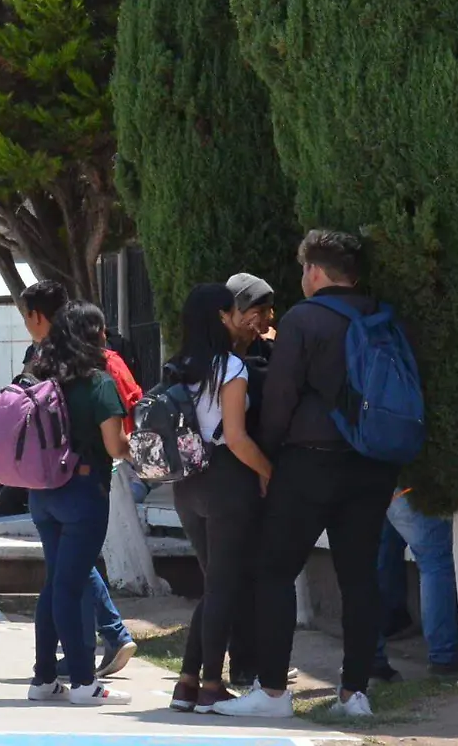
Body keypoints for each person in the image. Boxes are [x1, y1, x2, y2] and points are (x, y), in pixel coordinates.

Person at [216, 229, 402, 721]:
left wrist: (268, 459)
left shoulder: (305, 318)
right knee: (360, 577)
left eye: (303, 270)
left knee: (274, 570)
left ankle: (274, 691)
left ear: (314, 271)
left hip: (310, 462)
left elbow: (280, 399)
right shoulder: (380, 315)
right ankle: (354, 692)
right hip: (372, 463)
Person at [21, 279, 136, 679]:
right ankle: (84, 680)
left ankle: (44, 677)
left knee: (55, 584)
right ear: (93, 335)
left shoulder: (40, 375)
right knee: (69, 587)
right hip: (84, 491)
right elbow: (115, 446)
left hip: (42, 492)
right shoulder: (98, 382)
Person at [166, 284, 268, 714]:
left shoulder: (176, 366)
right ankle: (210, 684)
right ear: (221, 317)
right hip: (226, 479)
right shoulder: (230, 368)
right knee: (224, 585)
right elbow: (238, 437)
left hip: (185, 483)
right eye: (231, 313)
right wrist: (268, 471)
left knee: (214, 583)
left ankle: (187, 682)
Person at [371, 488, 458, 682]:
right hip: (401, 480)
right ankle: (444, 658)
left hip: (363, 478)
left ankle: (372, 660)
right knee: (436, 560)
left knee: (375, 563)